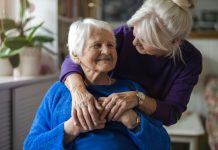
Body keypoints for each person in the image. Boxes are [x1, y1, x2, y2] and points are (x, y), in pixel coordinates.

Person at [24, 18, 170, 150]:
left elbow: (163, 145)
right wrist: (72, 128)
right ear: (76, 55)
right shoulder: (58, 92)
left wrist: (132, 120)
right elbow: (30, 146)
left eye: (111, 45)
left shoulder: (131, 90)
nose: (106, 51)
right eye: (97, 45)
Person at [59, 0, 202, 129]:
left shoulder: (190, 60)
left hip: (142, 125)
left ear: (174, 42)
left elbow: (171, 113)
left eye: (144, 40)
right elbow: (74, 58)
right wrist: (79, 93)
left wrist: (138, 99)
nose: (134, 42)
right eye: (135, 32)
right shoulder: (125, 34)